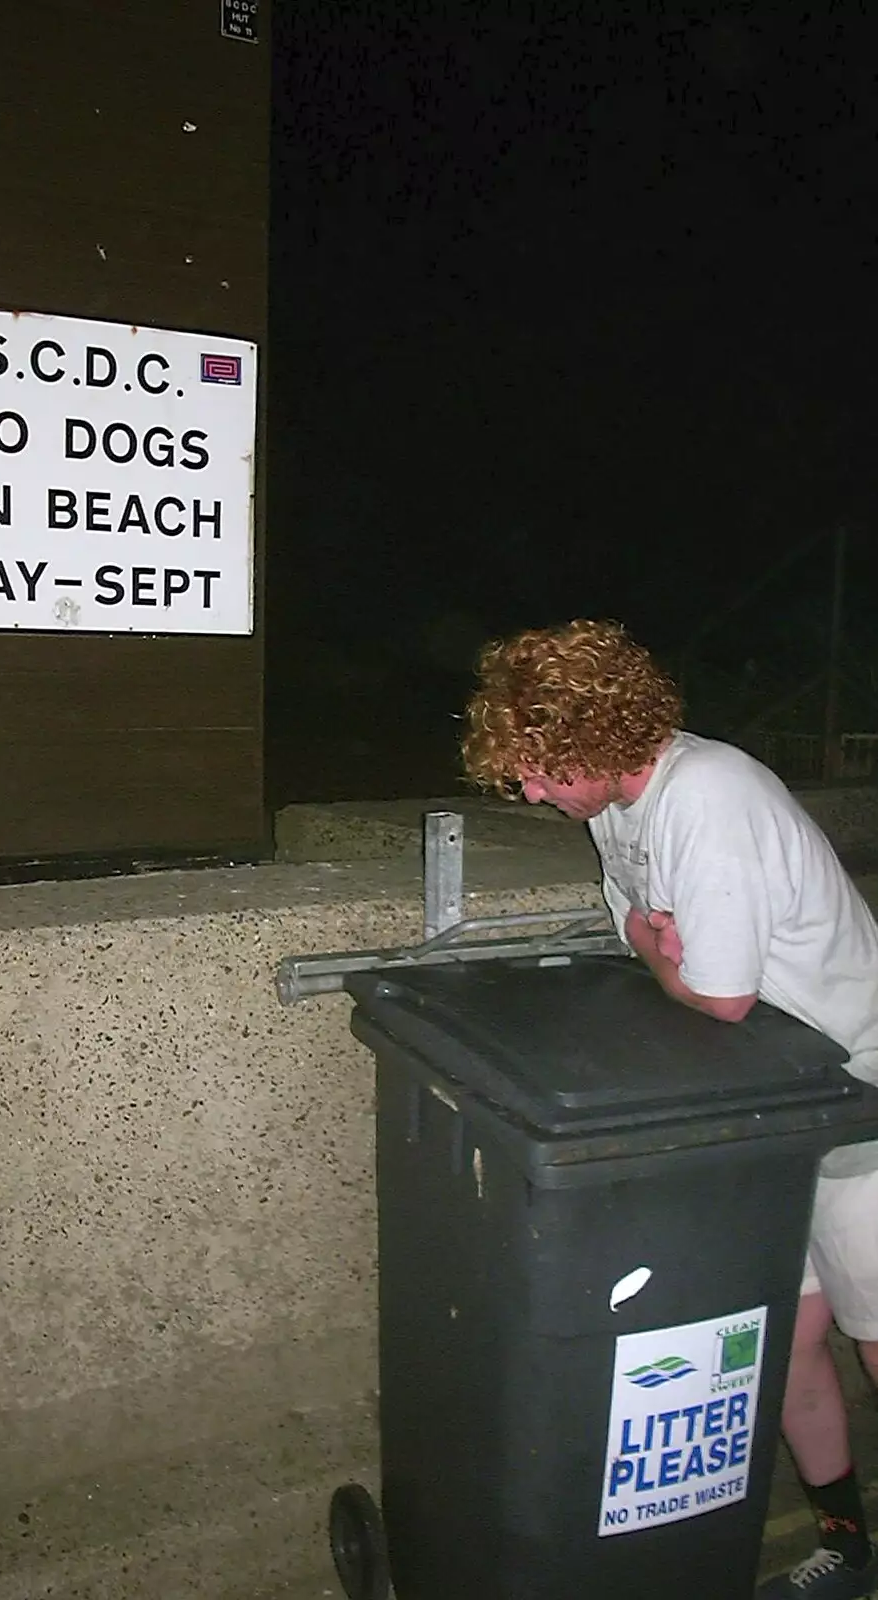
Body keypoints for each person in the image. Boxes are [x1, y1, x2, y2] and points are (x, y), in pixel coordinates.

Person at [461, 617, 878, 1600]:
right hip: (765, 1097)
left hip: (854, 1089)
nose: (527, 793)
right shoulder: (613, 808)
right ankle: (849, 1545)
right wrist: (662, 953)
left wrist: (659, 954)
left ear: (598, 736)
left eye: (537, 770)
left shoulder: (708, 797)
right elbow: (651, 938)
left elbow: (714, 986)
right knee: (786, 1340)